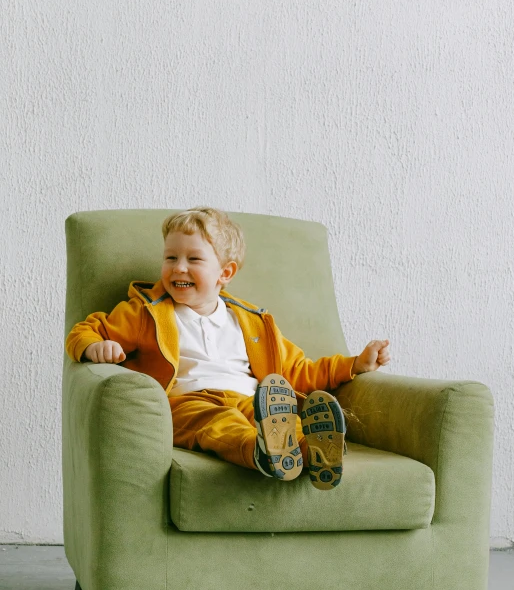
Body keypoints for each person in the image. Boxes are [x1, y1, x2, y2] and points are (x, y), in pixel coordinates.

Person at [65, 207, 391, 490]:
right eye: (170, 258)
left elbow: (297, 371)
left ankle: (315, 452)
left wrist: (354, 365)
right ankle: (261, 452)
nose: (178, 268)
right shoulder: (146, 311)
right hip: (186, 401)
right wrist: (96, 347)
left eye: (193, 259)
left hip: (252, 401)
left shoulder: (252, 321)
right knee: (219, 425)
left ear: (225, 272)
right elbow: (85, 330)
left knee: (286, 422)